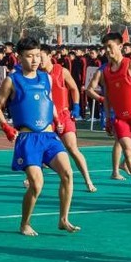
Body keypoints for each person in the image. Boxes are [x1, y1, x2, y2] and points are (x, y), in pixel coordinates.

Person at [0, 38, 81, 234]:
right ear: (19, 57)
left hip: (49, 137)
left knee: (67, 173)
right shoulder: (12, 80)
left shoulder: (46, 78)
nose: (35, 60)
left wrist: (56, 118)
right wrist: (6, 127)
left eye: (37, 55)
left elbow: (48, 101)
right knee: (36, 184)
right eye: (29, 56)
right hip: (27, 139)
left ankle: (63, 219)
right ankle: (25, 223)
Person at [85, 32, 131, 200]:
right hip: (121, 119)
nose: (107, 50)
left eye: (110, 46)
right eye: (105, 47)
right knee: (129, 153)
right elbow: (107, 96)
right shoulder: (105, 72)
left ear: (120, 46)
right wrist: (108, 118)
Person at [40, 48, 97, 192]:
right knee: (40, 149)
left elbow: (74, 89)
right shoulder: (36, 75)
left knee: (72, 148)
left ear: (49, 56)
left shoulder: (61, 71)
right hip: (46, 118)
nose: (38, 60)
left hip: (64, 115)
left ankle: (88, 180)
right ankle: (32, 178)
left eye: (41, 57)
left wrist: (76, 106)